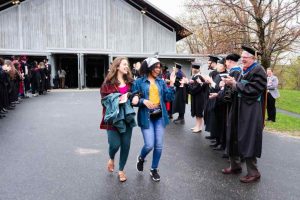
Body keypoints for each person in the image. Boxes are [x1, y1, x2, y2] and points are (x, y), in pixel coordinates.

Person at [222, 45, 267, 183]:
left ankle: (254, 172)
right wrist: (230, 84)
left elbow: (254, 89)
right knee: (233, 134)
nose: (242, 59)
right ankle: (235, 165)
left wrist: (235, 84)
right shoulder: (244, 69)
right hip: (238, 107)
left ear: (253, 58)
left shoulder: (259, 70)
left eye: (245, 57)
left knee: (248, 138)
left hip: (250, 110)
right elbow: (239, 86)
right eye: (242, 57)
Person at [132, 57, 175, 182]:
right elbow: (133, 100)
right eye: (156, 67)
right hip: (147, 116)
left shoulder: (161, 82)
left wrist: (171, 84)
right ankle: (141, 158)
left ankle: (154, 169)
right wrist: (143, 101)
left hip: (159, 116)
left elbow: (168, 97)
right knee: (149, 144)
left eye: (159, 67)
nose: (158, 69)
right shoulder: (139, 82)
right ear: (149, 68)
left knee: (159, 145)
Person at [100, 57, 138, 182]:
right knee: (115, 144)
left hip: (127, 118)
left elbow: (136, 94)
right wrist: (119, 98)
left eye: (127, 64)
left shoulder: (131, 82)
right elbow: (104, 100)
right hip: (113, 118)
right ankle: (111, 158)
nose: (126, 66)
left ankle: (121, 170)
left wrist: (135, 97)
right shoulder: (108, 83)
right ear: (117, 66)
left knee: (126, 145)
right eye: (124, 64)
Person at [187, 63, 209, 133]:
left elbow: (195, 89)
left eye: (194, 68)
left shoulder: (199, 77)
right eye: (193, 68)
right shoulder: (195, 76)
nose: (193, 69)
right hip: (196, 97)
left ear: (196, 69)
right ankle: (197, 125)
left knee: (199, 112)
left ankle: (199, 127)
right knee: (196, 112)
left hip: (199, 97)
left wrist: (189, 84)